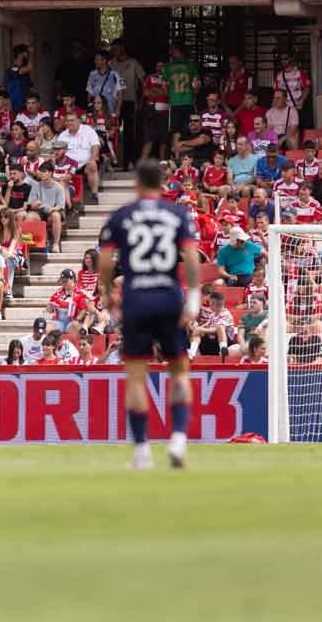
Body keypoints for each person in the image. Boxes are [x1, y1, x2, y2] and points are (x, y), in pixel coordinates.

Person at [98, 159, 201, 470]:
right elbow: (192, 256)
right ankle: (179, 439)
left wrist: (106, 292)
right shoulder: (177, 213)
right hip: (169, 297)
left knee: (135, 378)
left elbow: (105, 259)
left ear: (137, 183)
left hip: (136, 298)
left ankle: (142, 451)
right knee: (179, 371)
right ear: (164, 183)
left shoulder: (122, 215)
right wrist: (193, 296)